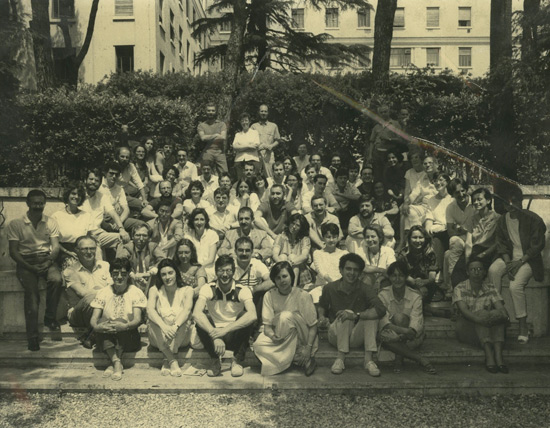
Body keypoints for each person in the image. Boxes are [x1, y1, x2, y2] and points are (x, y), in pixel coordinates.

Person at [488, 184, 546, 344]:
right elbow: (501, 245)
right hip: (510, 259)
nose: (511, 205)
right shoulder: (502, 220)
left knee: (515, 286)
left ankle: (522, 327)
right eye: (507, 202)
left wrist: (519, 263)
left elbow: (537, 246)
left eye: (514, 201)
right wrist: (508, 263)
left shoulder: (533, 219)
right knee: (493, 270)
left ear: (521, 202)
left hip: (528, 260)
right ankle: (499, 312)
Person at [7, 189, 63, 351]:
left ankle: (49, 318)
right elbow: (13, 252)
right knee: (32, 294)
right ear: (28, 203)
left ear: (45, 204)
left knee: (57, 279)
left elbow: (56, 247)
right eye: (34, 203)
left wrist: (49, 262)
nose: (38, 206)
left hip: (45, 259)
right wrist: (30, 267)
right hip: (25, 262)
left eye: (41, 203)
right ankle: (32, 337)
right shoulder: (16, 224)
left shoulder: (51, 222)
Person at [318, 253, 386, 376]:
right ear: (341, 270)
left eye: (356, 270)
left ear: (360, 273)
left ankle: (368, 360)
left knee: (370, 315)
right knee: (347, 313)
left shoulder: (365, 288)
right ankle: (340, 359)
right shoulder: (330, 288)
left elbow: (381, 309)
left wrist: (357, 315)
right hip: (336, 335)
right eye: (348, 269)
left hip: (356, 336)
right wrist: (322, 317)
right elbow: (322, 306)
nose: (352, 273)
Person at [193, 255, 257, 377]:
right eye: (221, 271)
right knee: (202, 318)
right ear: (215, 272)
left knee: (245, 316)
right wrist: (215, 335)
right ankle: (215, 360)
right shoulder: (208, 288)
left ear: (233, 272)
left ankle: (237, 361)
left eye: (228, 270)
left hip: (234, 334)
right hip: (214, 336)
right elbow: (196, 313)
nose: (225, 275)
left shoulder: (242, 289)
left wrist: (225, 330)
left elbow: (253, 315)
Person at [253, 261, 318, 376]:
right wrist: (273, 337)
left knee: (285, 316)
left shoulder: (303, 295)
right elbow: (267, 328)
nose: (282, 280)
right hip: (280, 336)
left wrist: (308, 348)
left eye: (284, 276)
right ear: (274, 280)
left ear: (291, 277)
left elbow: (313, 326)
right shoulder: (269, 295)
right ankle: (296, 358)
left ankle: (290, 357)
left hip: (302, 336)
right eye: (278, 278)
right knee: (257, 345)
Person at [90, 258, 147, 381]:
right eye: (115, 273)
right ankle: (116, 362)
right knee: (103, 323)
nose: (119, 277)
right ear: (111, 274)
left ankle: (113, 363)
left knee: (120, 321)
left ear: (128, 275)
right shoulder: (103, 292)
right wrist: (98, 327)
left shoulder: (135, 292)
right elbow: (94, 319)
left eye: (123, 273)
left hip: (129, 336)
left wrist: (124, 326)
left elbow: (137, 320)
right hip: (107, 334)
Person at [378, 261, 436, 374]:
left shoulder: (415, 296)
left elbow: (415, 326)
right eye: (394, 275)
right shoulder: (382, 295)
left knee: (400, 318)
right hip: (391, 336)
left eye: (401, 275)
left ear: (406, 277)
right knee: (384, 336)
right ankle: (420, 359)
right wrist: (401, 334)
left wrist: (399, 337)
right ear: (389, 277)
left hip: (411, 338)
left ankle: (398, 359)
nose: (397, 279)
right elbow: (383, 322)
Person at [454, 258, 510, 373]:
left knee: (496, 313)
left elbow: (501, 308)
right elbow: (464, 311)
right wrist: (481, 319)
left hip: (487, 327)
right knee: (483, 313)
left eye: (480, 269)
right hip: (468, 328)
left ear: (484, 272)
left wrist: (500, 315)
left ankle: (498, 356)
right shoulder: (459, 288)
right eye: (473, 269)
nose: (476, 272)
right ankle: (489, 355)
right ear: (467, 272)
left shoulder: (490, 287)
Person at [147, 259, 195, 377]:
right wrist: (164, 327)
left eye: (170, 273)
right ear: (160, 276)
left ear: (176, 273)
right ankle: (172, 360)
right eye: (163, 274)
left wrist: (174, 327)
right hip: (159, 337)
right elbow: (150, 310)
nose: (167, 277)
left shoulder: (187, 290)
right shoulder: (154, 290)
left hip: (181, 337)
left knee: (185, 320)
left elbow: (187, 310)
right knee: (152, 321)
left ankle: (166, 359)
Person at [63, 235, 113, 348]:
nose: (89, 252)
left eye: (92, 248)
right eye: (85, 249)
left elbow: (113, 288)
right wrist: (102, 292)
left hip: (103, 307)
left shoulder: (105, 266)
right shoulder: (70, 271)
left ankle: (93, 335)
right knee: (91, 298)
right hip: (79, 312)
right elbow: (83, 294)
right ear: (77, 250)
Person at [451, 188, 500, 287]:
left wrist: (483, 255)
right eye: (474, 200)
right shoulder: (473, 219)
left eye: (479, 199)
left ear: (488, 200)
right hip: (474, 251)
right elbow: (469, 243)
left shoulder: (497, 218)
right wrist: (467, 260)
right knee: (457, 275)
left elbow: (497, 243)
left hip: (489, 252)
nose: (476, 202)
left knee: (475, 273)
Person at [81, 168, 130, 250]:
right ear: (85, 180)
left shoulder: (102, 197)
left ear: (100, 183)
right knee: (98, 251)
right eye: (91, 179)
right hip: (82, 235)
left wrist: (121, 229)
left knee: (125, 239)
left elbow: (113, 213)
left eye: (97, 180)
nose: (93, 182)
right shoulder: (78, 196)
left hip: (98, 234)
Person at [443, 178, 476, 289]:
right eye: (457, 192)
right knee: (454, 241)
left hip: (476, 237)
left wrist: (465, 230)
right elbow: (450, 231)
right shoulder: (450, 208)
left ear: (466, 190)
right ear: (452, 194)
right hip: (460, 239)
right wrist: (459, 232)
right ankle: (455, 285)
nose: (461, 194)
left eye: (463, 191)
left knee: (448, 255)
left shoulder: (475, 203)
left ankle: (452, 285)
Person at [51, 182, 94, 267]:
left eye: (79, 195)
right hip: (64, 251)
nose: (76, 197)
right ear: (67, 195)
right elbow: (54, 242)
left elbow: (90, 238)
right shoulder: (56, 216)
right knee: (73, 267)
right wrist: (68, 252)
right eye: (73, 193)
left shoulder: (87, 216)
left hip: (83, 251)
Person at [116, 223, 164, 294]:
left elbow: (163, 260)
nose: (141, 239)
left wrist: (150, 272)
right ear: (132, 236)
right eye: (138, 235)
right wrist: (132, 274)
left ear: (149, 238)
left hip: (150, 281)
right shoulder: (128, 247)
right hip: (133, 281)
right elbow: (121, 261)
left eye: (144, 235)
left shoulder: (153, 247)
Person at [233, 236, 273, 320]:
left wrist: (254, 289)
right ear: (235, 251)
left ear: (252, 252)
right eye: (241, 250)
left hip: (253, 301)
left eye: (247, 250)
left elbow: (271, 281)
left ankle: (257, 322)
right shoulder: (230, 265)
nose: (244, 253)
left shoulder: (256, 263)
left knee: (262, 293)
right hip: (235, 301)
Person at [99, 161, 145, 234]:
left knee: (142, 225)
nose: (114, 176)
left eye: (116, 174)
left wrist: (119, 222)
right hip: (100, 219)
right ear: (105, 173)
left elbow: (126, 210)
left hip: (116, 219)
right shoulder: (98, 185)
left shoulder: (119, 189)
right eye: (111, 173)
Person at [397, 226, 438, 304]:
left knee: (423, 292)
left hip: (425, 285)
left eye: (421, 237)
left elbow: (431, 278)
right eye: (414, 237)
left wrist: (422, 283)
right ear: (409, 239)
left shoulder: (430, 254)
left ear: (425, 238)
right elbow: (402, 275)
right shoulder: (403, 254)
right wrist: (415, 283)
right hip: (407, 285)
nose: (418, 240)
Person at [423, 173, 453, 278]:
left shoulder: (452, 198)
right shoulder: (431, 200)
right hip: (437, 230)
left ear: (447, 182)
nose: (438, 183)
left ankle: (439, 270)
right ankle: (437, 270)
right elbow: (429, 218)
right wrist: (428, 228)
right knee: (435, 239)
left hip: (450, 229)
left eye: (441, 180)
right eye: (435, 181)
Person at [311, 223, 348, 302]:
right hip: (323, 287)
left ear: (338, 237)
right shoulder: (317, 253)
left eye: (334, 237)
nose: (331, 240)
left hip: (341, 288)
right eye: (328, 237)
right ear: (323, 238)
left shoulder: (344, 253)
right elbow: (322, 272)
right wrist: (334, 286)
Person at [273, 213, 312, 287]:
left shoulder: (304, 239)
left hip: (299, 270)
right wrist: (283, 265)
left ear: (301, 228)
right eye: (293, 223)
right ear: (289, 223)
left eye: (298, 225)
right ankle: (282, 285)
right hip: (282, 266)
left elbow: (304, 256)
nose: (294, 227)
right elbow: (275, 254)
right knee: (282, 256)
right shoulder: (281, 237)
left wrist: (290, 263)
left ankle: (293, 286)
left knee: (292, 256)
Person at [367, 104, 401, 181]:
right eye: (381, 112)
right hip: (377, 154)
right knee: (378, 175)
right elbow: (371, 141)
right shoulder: (376, 126)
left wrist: (389, 139)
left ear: (389, 112)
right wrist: (370, 155)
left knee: (389, 174)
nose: (383, 114)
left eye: (385, 112)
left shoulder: (395, 124)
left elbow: (400, 139)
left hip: (389, 153)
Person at [357, 225, 396, 289]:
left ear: (380, 238)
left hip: (384, 282)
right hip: (366, 284)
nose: (370, 240)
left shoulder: (388, 251)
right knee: (367, 278)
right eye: (367, 237)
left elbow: (391, 270)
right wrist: (381, 270)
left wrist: (379, 279)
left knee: (385, 283)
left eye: (373, 236)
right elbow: (363, 267)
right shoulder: (360, 251)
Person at [184, 208, 219, 276]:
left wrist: (197, 268)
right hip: (192, 269)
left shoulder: (212, 234)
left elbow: (211, 260)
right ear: (192, 221)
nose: (199, 222)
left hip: (210, 268)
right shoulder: (188, 236)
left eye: (202, 219)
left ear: (206, 221)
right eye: (196, 219)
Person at [197, 102, 228, 174]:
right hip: (207, 151)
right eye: (209, 110)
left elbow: (223, 137)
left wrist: (208, 137)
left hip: (220, 152)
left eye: (213, 110)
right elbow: (203, 138)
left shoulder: (221, 124)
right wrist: (216, 135)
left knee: (224, 173)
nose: (211, 112)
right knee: (205, 171)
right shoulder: (201, 125)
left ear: (216, 112)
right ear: (205, 112)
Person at [251, 104, 281, 178]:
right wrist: (257, 147)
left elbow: (278, 140)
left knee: (270, 175)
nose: (263, 113)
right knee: (255, 175)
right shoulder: (254, 126)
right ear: (259, 112)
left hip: (269, 155)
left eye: (265, 111)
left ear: (268, 113)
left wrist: (271, 146)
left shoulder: (273, 126)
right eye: (262, 111)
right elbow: (250, 141)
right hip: (257, 154)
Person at [116, 146, 149, 212]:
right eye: (122, 156)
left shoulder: (130, 166)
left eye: (127, 157)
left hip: (124, 195)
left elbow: (139, 183)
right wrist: (116, 202)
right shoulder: (112, 167)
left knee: (144, 204)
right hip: (113, 196)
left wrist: (144, 199)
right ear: (117, 156)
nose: (124, 159)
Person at [332, 168, 361, 234]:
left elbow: (358, 197)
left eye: (345, 178)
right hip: (337, 211)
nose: (343, 180)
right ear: (336, 179)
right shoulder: (331, 186)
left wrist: (341, 194)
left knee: (355, 203)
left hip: (348, 211)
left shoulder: (350, 186)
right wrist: (350, 197)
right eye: (340, 178)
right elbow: (332, 198)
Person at [233, 112, 261, 179]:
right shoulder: (238, 135)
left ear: (249, 121)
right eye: (242, 121)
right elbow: (235, 147)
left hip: (253, 160)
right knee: (241, 181)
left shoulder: (255, 133)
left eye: (246, 120)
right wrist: (248, 145)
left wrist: (241, 147)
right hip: (239, 160)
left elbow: (255, 146)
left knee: (253, 180)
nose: (244, 122)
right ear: (240, 123)